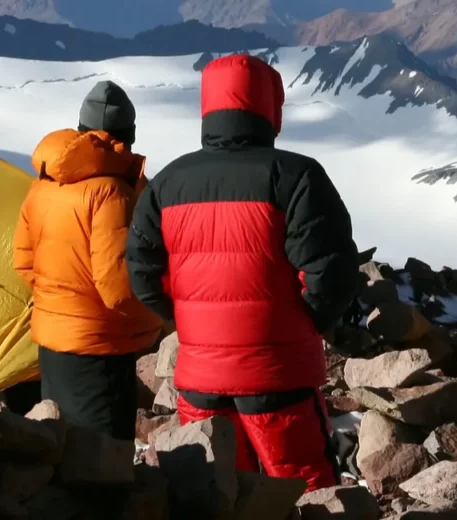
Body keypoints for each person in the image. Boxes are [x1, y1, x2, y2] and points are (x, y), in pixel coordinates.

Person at [125, 53, 361, 491]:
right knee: (307, 491)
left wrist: (192, 322)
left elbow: (142, 273)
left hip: (200, 380)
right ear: (271, 108)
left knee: (222, 494)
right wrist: (306, 322)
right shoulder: (297, 176)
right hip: (279, 375)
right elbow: (330, 271)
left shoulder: (167, 183)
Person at [13, 80, 163, 441]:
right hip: (99, 349)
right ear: (128, 135)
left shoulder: (45, 183)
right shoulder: (111, 192)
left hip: (52, 344)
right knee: (102, 463)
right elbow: (119, 289)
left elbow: (23, 262)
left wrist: (61, 307)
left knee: (62, 448)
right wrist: (161, 317)